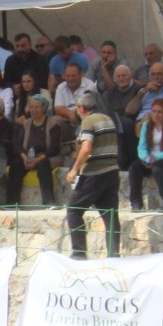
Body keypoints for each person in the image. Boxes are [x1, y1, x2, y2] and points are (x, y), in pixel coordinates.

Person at [63, 91, 121, 258]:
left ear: (81, 108)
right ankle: (114, 253)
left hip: (94, 173)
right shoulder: (107, 118)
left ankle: (79, 252)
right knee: (110, 214)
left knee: (74, 210)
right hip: (112, 171)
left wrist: (74, 169)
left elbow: (87, 147)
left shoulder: (88, 121)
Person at [130, 98, 163, 212]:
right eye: (154, 111)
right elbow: (141, 147)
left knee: (158, 168)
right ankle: (136, 202)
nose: (156, 114)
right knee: (134, 167)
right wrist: (147, 158)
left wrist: (156, 158)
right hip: (150, 159)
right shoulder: (146, 125)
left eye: (159, 112)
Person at [8, 92, 61, 206]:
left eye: (37, 107)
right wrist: (25, 158)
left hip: (45, 156)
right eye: (31, 107)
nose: (33, 110)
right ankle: (12, 203)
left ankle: (49, 202)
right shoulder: (26, 123)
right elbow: (19, 145)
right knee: (16, 165)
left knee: (43, 165)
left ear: (44, 108)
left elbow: (54, 148)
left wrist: (37, 160)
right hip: (28, 157)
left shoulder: (53, 123)